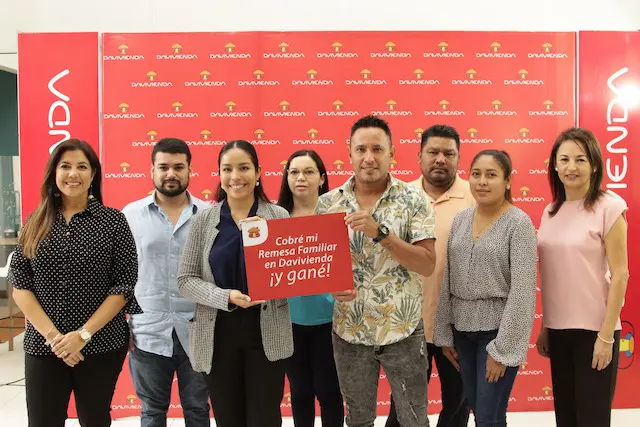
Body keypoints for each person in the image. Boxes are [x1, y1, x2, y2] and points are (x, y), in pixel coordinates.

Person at [8, 139, 140, 427]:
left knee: (95, 419)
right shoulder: (35, 222)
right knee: (43, 420)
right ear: (54, 173)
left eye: (82, 166)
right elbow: (20, 283)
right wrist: (56, 339)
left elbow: (124, 285)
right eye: (65, 166)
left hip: (101, 343)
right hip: (45, 346)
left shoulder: (113, 222)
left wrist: (82, 335)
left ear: (93, 175)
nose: (73, 174)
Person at [316, 115, 437, 427]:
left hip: (404, 330)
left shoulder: (414, 199)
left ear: (392, 153)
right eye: (361, 149)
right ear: (349, 152)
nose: (368, 157)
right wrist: (328, 287)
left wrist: (380, 233)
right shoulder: (328, 204)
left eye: (377, 149)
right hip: (349, 330)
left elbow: (426, 263)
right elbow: (320, 269)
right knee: (358, 420)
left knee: (414, 419)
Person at [177, 140, 293, 427]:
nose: (235, 176)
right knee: (228, 419)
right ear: (219, 174)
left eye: (244, 168)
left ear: (258, 173)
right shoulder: (204, 220)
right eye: (227, 169)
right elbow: (185, 280)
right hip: (218, 335)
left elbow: (292, 274)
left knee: (264, 419)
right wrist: (225, 296)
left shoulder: (279, 216)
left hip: (266, 333)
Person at [433, 149, 537, 427]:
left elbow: (523, 292)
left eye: (491, 175)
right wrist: (444, 333)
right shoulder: (461, 220)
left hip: (496, 334)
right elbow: (448, 279)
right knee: (480, 412)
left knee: (489, 417)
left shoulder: (519, 223)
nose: (482, 181)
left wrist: (502, 351)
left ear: (507, 181)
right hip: (462, 334)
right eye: (476, 174)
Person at [535, 128, 628, 427]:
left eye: (580, 159)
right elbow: (552, 275)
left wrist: (605, 337)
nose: (571, 167)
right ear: (554, 165)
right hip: (559, 331)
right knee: (567, 417)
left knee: (592, 419)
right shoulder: (550, 212)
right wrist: (546, 326)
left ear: (595, 165)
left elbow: (621, 274)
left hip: (595, 331)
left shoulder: (609, 206)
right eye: (564, 159)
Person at [387, 125, 473, 427]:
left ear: (459, 158)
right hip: (408, 326)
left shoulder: (476, 198)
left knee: (457, 406)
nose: (440, 159)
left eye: (448, 153)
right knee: (403, 410)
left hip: (459, 327)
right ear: (419, 156)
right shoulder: (400, 198)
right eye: (433, 152)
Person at [122, 138, 211, 427]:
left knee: (197, 411)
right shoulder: (130, 215)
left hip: (198, 331)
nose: (170, 173)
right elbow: (120, 274)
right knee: (151, 412)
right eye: (163, 167)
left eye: (178, 167)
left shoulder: (210, 214)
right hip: (146, 330)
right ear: (152, 170)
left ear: (189, 170)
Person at [277, 150, 344, 427]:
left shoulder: (337, 216)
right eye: (294, 172)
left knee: (329, 392)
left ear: (322, 178)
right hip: (289, 321)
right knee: (300, 392)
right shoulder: (275, 218)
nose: (300, 178)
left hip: (330, 321)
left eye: (308, 171)